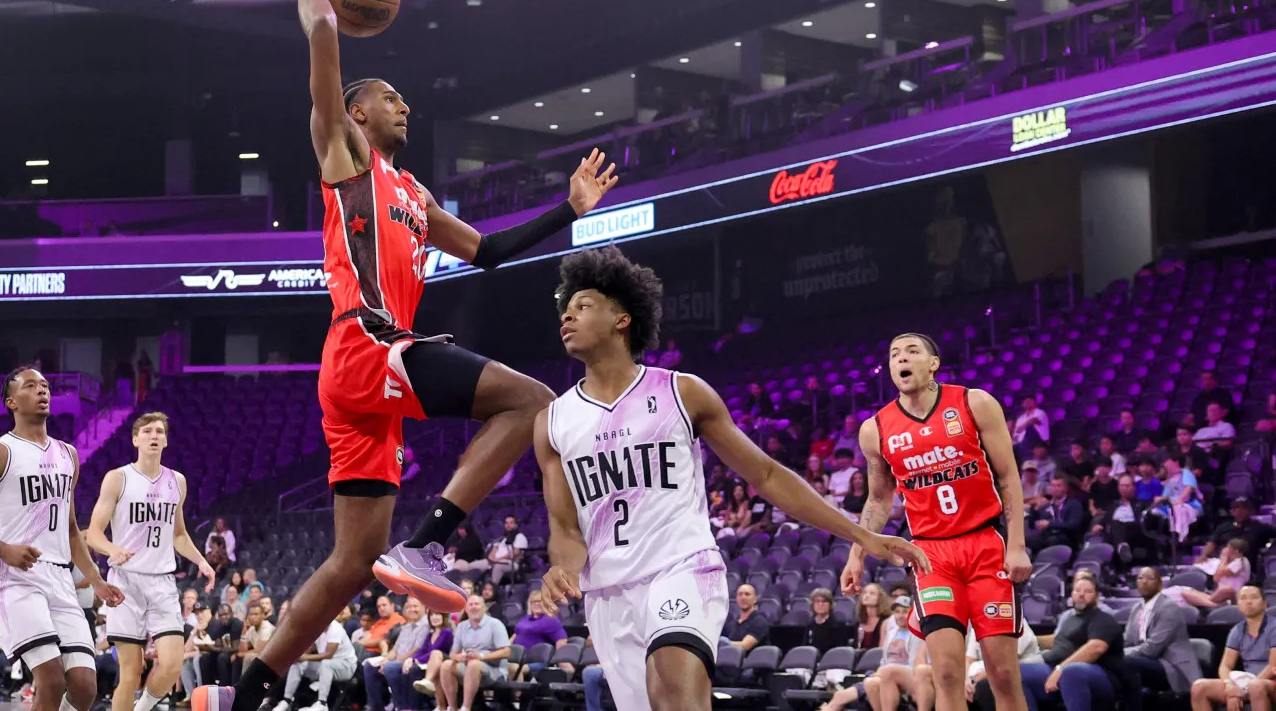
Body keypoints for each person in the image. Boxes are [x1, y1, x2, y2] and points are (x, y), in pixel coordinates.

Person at [220, 0, 624, 711]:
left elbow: (491, 252)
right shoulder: (345, 154)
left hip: (367, 373)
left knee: (351, 561)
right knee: (531, 400)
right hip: (363, 344)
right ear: (358, 112)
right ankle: (432, 542)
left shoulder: (414, 194)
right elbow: (324, 43)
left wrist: (569, 209)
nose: (403, 105)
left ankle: (248, 692)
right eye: (389, 96)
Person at [536, 247, 927, 711]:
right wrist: (561, 567)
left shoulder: (682, 392)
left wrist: (861, 535)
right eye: (566, 306)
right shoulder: (553, 421)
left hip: (680, 569)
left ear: (622, 319)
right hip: (608, 594)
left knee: (673, 688)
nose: (567, 313)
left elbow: (765, 473)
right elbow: (564, 529)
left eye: (582, 305)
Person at [842, 333, 1032, 711]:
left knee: (1003, 673)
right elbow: (879, 498)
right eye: (894, 353)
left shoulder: (973, 402)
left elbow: (1009, 476)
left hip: (985, 545)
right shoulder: (875, 429)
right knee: (944, 672)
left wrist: (1017, 545)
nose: (901, 358)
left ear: (933, 363)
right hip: (931, 555)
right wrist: (857, 555)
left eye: (912, 351)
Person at [0, 366, 124, 711]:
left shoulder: (68, 454)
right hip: (18, 579)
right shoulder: (0, 453)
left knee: (84, 687)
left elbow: (69, 528)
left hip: (60, 579)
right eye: (31, 386)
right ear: (11, 401)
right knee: (51, 680)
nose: (42, 391)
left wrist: (96, 581)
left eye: (45, 385)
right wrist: (2, 549)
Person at [87, 411, 217, 711]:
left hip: (162, 582)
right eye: (147, 431)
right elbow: (93, 533)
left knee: (171, 666)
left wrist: (202, 561)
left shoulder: (177, 481)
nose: (154, 435)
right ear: (135, 439)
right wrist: (112, 549)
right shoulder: (118, 478)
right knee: (131, 672)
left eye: (159, 431)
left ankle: (143, 708)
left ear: (166, 440)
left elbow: (180, 534)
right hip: (125, 583)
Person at [1018, 576, 1125, 710]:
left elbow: (1096, 647)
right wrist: (1028, 639)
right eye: (1077, 590)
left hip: (1101, 676)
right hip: (1057, 670)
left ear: (1097, 596)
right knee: (1018, 671)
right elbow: (1057, 640)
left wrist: (1060, 669)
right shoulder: (1071, 619)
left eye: (1087, 591)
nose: (1081, 594)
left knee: (1072, 671)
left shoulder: (1103, 620)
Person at [1122, 567, 1201, 708]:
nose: (1144, 582)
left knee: (1126, 660)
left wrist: (1120, 653)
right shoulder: (1136, 609)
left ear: (1159, 584)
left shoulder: (1168, 607)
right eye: (1140, 578)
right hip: (1145, 661)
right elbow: (1126, 641)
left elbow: (1152, 649)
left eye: (1150, 578)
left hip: (1170, 665)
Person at [1189, 584, 1276, 711]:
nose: (1248, 602)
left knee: (1255, 686)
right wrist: (1230, 687)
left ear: (1264, 603)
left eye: (1254, 597)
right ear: (1238, 605)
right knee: (1199, 687)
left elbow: (1273, 666)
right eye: (1243, 598)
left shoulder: (1273, 627)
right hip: (1248, 681)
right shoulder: (1237, 630)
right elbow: (1225, 665)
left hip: (1269, 682)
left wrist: (1244, 689)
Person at [435, 595, 509, 711]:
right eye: (470, 604)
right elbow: (453, 654)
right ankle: (452, 707)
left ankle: (466, 707)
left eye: (477, 604)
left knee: (474, 664)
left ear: (484, 608)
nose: (473, 607)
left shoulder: (495, 624)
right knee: (446, 665)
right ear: (466, 609)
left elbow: (506, 652)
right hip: (467, 666)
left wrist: (481, 656)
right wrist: (459, 657)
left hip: (494, 670)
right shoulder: (461, 626)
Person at [272, 611, 355, 711]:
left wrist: (305, 657)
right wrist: (298, 657)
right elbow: (309, 647)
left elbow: (329, 655)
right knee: (298, 664)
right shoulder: (315, 627)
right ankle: (287, 700)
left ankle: (322, 704)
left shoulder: (335, 629)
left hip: (346, 667)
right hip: (326, 667)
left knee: (326, 664)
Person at [361, 596, 425, 711]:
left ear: (423, 607)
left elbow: (417, 649)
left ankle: (401, 706)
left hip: (412, 661)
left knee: (390, 667)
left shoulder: (425, 625)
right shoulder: (407, 626)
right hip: (398, 660)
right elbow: (395, 648)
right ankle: (376, 707)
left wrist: (393, 661)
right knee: (370, 666)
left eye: (415, 606)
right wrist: (385, 659)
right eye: (409, 607)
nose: (412, 609)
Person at [1179, 539, 1251, 608]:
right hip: (1218, 596)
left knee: (1226, 589)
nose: (1224, 550)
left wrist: (1223, 558)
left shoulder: (1241, 561)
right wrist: (1224, 560)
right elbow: (1216, 578)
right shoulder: (1227, 563)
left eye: (1228, 548)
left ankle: (1214, 605)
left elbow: (1222, 571)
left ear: (1235, 551)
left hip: (1232, 596)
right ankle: (1211, 603)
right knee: (1186, 592)